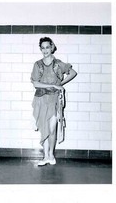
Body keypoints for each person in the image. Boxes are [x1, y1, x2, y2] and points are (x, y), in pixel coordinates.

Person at [31, 37, 77, 166]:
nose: (45, 50)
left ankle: (51, 155)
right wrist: (54, 86)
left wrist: (60, 84)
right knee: (44, 128)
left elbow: (72, 73)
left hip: (54, 100)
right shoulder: (37, 64)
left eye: (47, 47)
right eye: (43, 48)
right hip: (40, 100)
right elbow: (35, 83)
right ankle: (46, 156)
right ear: (41, 49)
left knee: (52, 129)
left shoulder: (58, 64)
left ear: (52, 47)